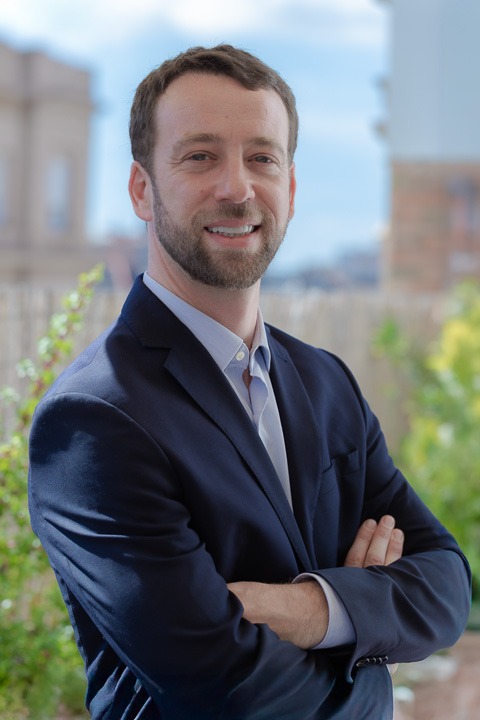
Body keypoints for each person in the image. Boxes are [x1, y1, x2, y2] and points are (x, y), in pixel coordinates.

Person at [28, 44, 471, 719]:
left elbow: (447, 587)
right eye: (200, 156)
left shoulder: (326, 383)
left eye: (262, 158)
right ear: (142, 189)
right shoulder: (94, 419)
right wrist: (371, 665)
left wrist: (309, 608)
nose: (236, 188)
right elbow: (222, 687)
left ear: (289, 189)